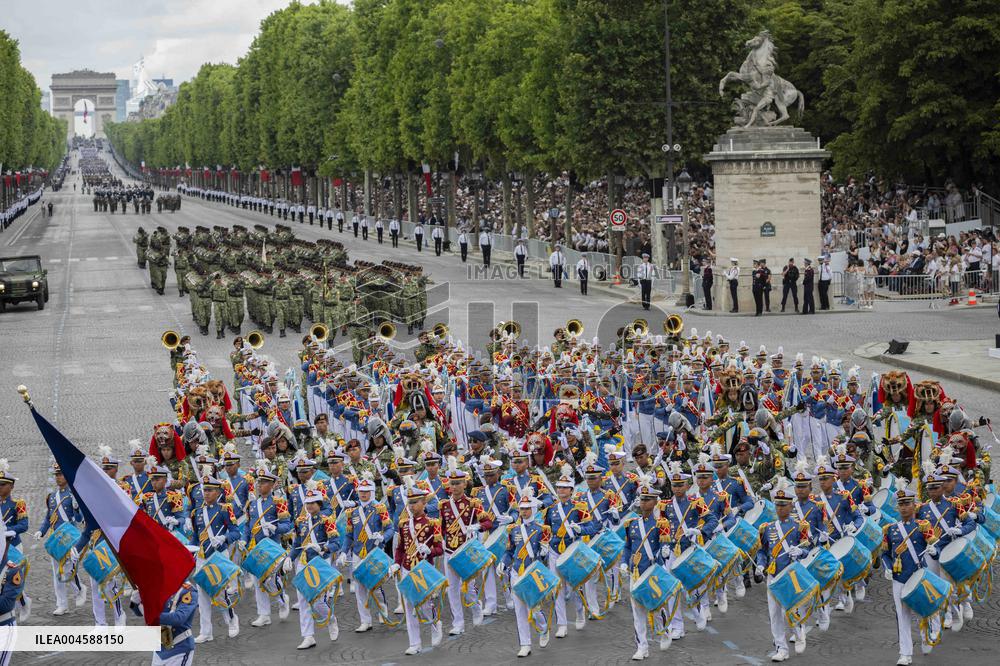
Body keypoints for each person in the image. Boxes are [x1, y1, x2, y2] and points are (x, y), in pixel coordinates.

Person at [755, 478, 811, 663]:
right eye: (777, 505)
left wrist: (800, 551)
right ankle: (781, 647)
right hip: (773, 575)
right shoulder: (766, 528)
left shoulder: (799, 527)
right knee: (774, 613)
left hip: (792, 575)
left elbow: (809, 549)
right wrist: (761, 564)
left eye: (783, 505)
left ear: (790, 506)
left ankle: (799, 631)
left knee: (792, 608)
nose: (779, 509)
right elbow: (763, 551)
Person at [881, 481, 937, 665]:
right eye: (901, 504)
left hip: (918, 575)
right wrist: (888, 568)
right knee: (902, 614)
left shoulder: (923, 525)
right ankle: (905, 653)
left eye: (907, 503)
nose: (904, 507)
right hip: (899, 577)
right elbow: (885, 554)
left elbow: (933, 545)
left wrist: (933, 551)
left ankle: (926, 635)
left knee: (924, 610)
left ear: (914, 505)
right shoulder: (890, 529)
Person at [620, 474, 672, 660]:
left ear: (655, 501)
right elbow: (627, 546)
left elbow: (665, 547)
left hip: (652, 573)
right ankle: (642, 646)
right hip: (636, 573)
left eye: (647, 499)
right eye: (642, 499)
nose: (643, 503)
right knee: (637, 612)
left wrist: (663, 555)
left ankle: (665, 631)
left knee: (656, 607)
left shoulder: (661, 524)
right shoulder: (631, 524)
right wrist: (624, 562)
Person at [498, 488, 553, 658]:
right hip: (516, 572)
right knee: (519, 610)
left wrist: (545, 551)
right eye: (521, 508)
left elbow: (544, 554)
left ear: (533, 509)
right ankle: (525, 643)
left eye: (527, 508)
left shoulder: (542, 529)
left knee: (534, 608)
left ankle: (544, 629)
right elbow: (509, 552)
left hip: (532, 572)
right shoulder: (513, 530)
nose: (523, 511)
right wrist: (503, 563)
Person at [393, 478, 444, 655]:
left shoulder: (432, 523)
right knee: (409, 606)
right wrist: (396, 564)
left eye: (416, 502)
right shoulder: (403, 524)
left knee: (424, 604)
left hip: (423, 568)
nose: (412, 506)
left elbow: (440, 549)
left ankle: (435, 624)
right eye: (410, 503)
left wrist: (429, 550)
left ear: (424, 503)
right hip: (407, 568)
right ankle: (414, 643)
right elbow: (400, 549)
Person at [153, 579, 198, 666]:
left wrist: (153, 616)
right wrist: (135, 603)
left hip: (179, 648)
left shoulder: (188, 590)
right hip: (159, 648)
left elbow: (179, 618)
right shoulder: (159, 585)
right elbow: (140, 612)